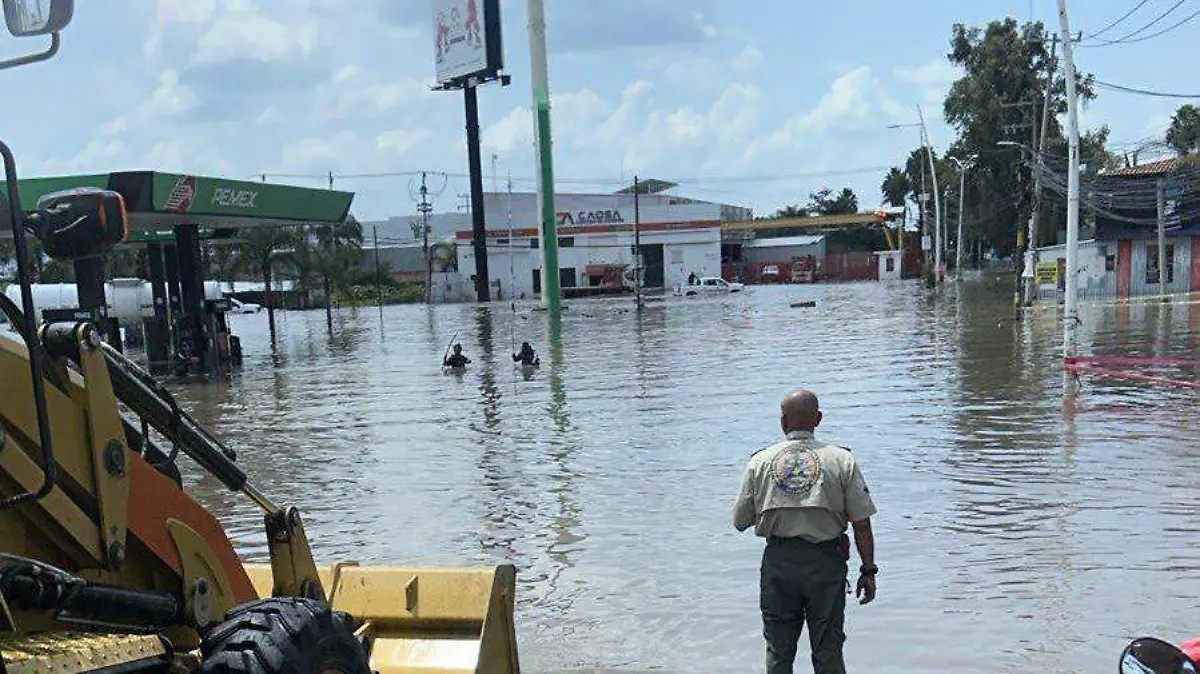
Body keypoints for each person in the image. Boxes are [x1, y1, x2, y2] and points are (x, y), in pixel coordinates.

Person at [733, 389, 877, 674]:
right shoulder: (841, 460)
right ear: (818, 419)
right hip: (825, 564)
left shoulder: (760, 462)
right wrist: (868, 570)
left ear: (783, 422)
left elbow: (740, 520)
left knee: (778, 650)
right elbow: (861, 523)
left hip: (779, 564)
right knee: (828, 649)